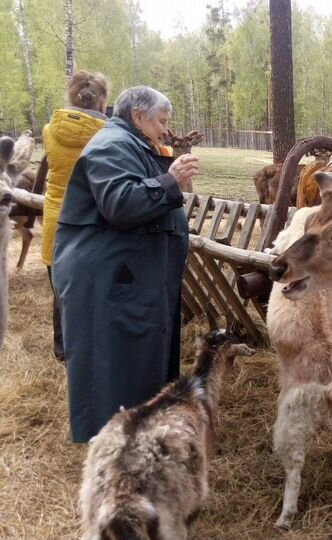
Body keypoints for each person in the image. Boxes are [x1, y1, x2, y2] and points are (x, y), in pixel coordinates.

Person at [52, 86, 200, 443]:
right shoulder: (111, 146)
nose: (166, 130)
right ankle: (115, 445)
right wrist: (171, 180)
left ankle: (133, 438)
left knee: (130, 364)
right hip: (109, 281)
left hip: (124, 278)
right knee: (113, 367)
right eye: (161, 121)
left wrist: (168, 173)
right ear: (138, 116)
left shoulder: (131, 144)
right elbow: (120, 203)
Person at [41, 70, 109, 362]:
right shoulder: (107, 136)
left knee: (60, 287)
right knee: (94, 288)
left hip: (55, 219)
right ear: (103, 102)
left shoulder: (49, 131)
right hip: (89, 220)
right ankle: (90, 346)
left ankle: (62, 346)